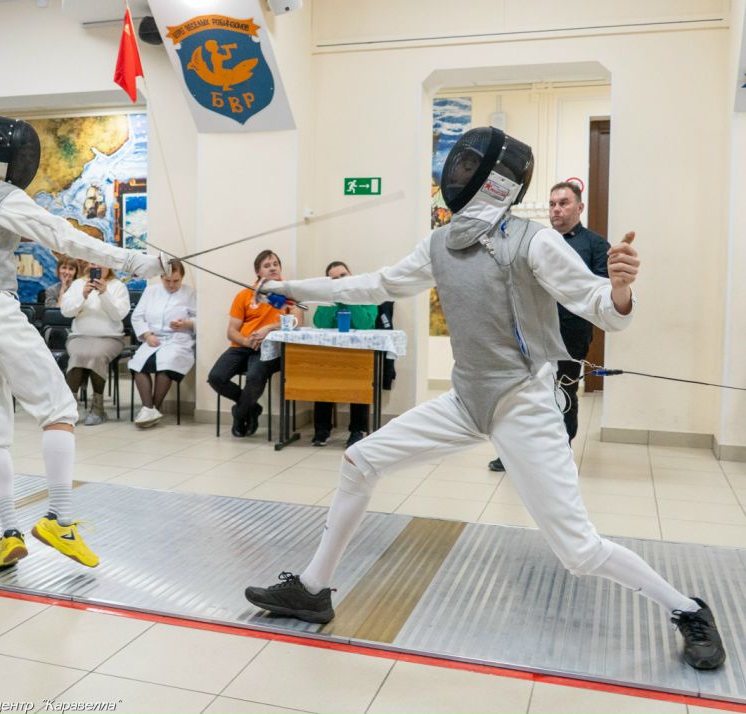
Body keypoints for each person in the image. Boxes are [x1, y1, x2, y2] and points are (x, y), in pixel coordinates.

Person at [245, 127, 725, 671]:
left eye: (471, 167)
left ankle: (689, 609)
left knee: (578, 551)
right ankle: (313, 589)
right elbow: (375, 284)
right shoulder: (439, 244)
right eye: (460, 165)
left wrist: (618, 287)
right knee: (359, 461)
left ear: (498, 180)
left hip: (524, 404)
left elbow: (601, 307)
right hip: (465, 400)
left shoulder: (533, 241)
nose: (458, 175)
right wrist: (291, 288)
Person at [0, 114, 166, 571]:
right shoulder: (5, 199)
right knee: (58, 410)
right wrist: (135, 261)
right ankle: (60, 519)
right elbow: (67, 238)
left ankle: (9, 533)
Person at [488, 180, 610, 472]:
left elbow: (602, 291)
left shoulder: (595, 245)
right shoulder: (536, 241)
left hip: (570, 336)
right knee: (522, 396)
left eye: (563, 203)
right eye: (552, 204)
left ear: (579, 207)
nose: (556, 209)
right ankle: (513, 453)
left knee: (563, 394)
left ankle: (559, 456)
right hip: (530, 334)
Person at [208, 250, 304, 437]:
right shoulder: (245, 294)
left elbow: (298, 322)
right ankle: (252, 409)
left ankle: (239, 414)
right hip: (242, 346)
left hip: (270, 348)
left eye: (275, 264)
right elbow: (231, 331)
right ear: (258, 272)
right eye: (267, 266)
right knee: (216, 377)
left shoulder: (288, 293)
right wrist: (246, 341)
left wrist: (269, 328)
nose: (273, 268)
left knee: (254, 377)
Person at [310, 261, 377, 448]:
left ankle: (357, 430)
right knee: (322, 377)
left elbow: (365, 324)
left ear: (351, 275)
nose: (339, 280)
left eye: (343, 276)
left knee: (360, 379)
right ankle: (322, 428)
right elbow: (320, 323)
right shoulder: (327, 298)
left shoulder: (366, 294)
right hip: (331, 354)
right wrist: (334, 299)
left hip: (358, 354)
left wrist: (349, 299)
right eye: (334, 279)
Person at [129, 259, 196, 428]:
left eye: (176, 281)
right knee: (138, 365)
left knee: (166, 365)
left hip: (177, 340)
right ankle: (148, 408)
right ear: (161, 277)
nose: (171, 285)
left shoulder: (190, 293)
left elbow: (200, 318)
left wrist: (186, 324)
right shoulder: (150, 291)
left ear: (182, 278)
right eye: (167, 281)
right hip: (153, 339)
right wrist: (147, 335)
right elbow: (137, 316)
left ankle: (154, 409)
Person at [61, 263, 130, 426]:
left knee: (96, 355)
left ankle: (98, 409)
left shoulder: (118, 286)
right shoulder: (78, 284)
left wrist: (104, 293)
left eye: (101, 263)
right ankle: (70, 407)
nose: (97, 266)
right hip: (80, 336)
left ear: (108, 265)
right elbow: (66, 311)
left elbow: (118, 315)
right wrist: (83, 295)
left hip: (110, 337)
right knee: (78, 355)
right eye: (93, 262)